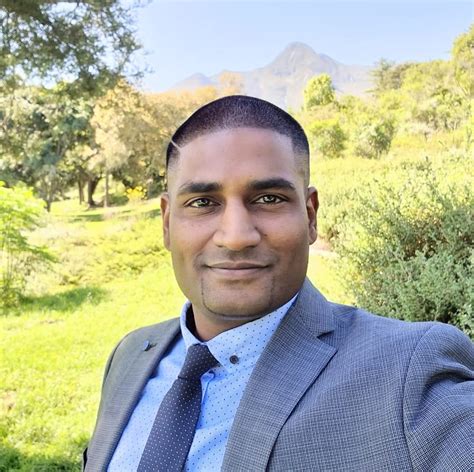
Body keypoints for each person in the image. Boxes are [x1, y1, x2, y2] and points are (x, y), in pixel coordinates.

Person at [83, 95, 473, 472]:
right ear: (167, 223)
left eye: (268, 198)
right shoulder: (132, 354)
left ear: (310, 216)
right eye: (202, 202)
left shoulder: (409, 373)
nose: (236, 237)